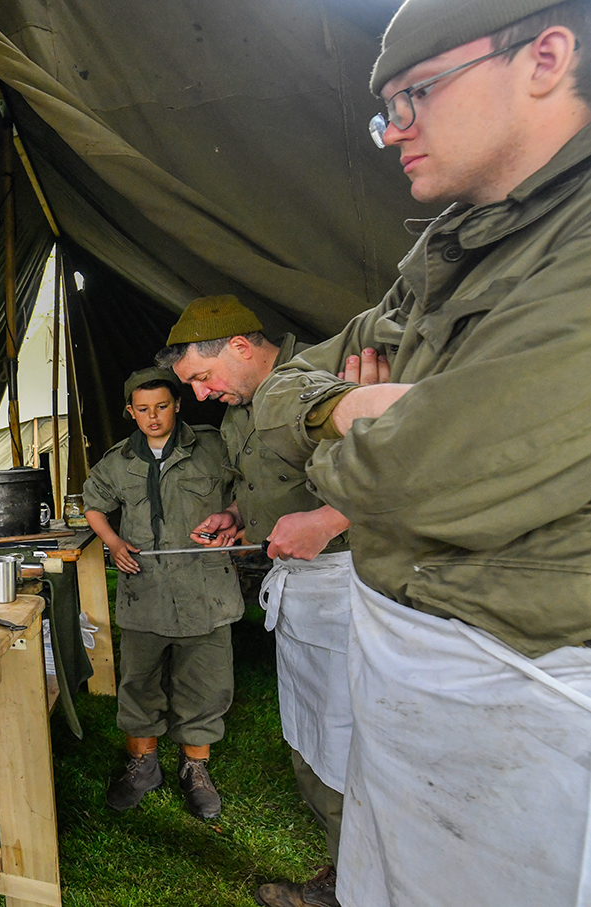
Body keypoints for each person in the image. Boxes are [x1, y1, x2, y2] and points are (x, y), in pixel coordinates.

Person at [252, 1, 591, 904]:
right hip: (416, 677)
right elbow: (280, 394)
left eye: (415, 94)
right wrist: (354, 407)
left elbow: (412, 479)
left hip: (533, 694)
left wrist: (359, 435)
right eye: (385, 106)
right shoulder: (449, 246)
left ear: (545, 56)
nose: (390, 131)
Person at [156, 295, 386, 907]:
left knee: (353, 746)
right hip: (302, 590)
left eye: (202, 379)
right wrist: (236, 515)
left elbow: (400, 461)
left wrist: (330, 521)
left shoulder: (320, 379)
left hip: (355, 587)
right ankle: (348, 876)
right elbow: (267, 482)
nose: (200, 396)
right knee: (314, 739)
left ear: (238, 346)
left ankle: (373, 886)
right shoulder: (240, 411)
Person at [83, 367, 242, 820]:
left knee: (205, 683)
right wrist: (113, 542)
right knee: (139, 683)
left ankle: (195, 769)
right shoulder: (118, 461)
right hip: (145, 590)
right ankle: (143, 765)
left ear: (178, 405)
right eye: (143, 409)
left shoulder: (213, 447)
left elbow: (246, 489)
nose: (153, 417)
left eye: (162, 407)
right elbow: (93, 503)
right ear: (130, 412)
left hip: (205, 587)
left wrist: (232, 516)